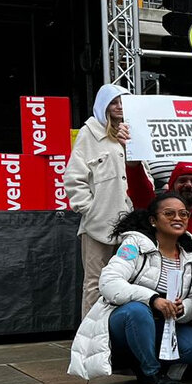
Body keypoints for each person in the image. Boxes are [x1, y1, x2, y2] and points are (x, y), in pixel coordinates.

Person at [68, 193, 192, 384]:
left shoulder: (191, 253)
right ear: (153, 220)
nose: (178, 218)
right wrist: (153, 299)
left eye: (183, 214)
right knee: (137, 311)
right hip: (125, 321)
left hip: (165, 323)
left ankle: (146, 360)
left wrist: (183, 308)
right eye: (169, 214)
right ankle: (150, 373)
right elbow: (108, 282)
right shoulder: (134, 244)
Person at [65, 83, 132, 317]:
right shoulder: (89, 133)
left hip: (129, 224)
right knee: (94, 282)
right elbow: (74, 177)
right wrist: (90, 209)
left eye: (123, 102)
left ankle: (116, 331)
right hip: (97, 225)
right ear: (103, 105)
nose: (119, 107)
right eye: (114, 102)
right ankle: (90, 333)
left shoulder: (132, 132)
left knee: (125, 280)